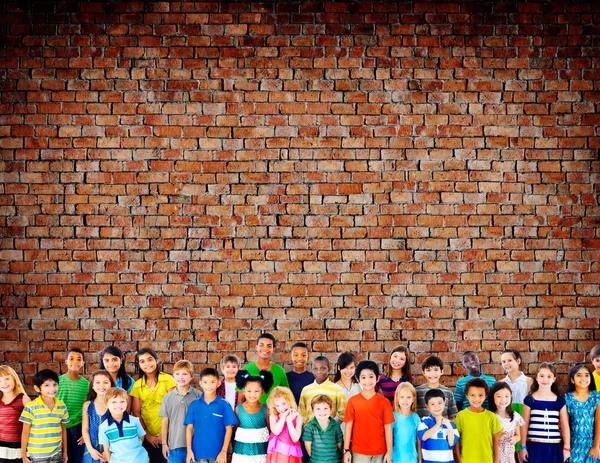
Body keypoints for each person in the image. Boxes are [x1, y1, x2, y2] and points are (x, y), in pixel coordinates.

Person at [343, 360, 395, 463]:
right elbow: (348, 427)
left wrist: (389, 452)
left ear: (377, 378)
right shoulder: (353, 401)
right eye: (363, 377)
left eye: (371, 376)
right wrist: (346, 450)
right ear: (358, 379)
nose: (367, 381)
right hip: (358, 453)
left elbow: (388, 429)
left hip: (380, 453)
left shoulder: (384, 402)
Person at [130, 348, 176, 463]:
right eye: (142, 361)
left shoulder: (168, 380)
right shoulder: (137, 385)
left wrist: (165, 433)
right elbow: (136, 413)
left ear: (156, 361)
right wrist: (147, 435)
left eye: (149, 360)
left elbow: (174, 408)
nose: (147, 364)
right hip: (149, 436)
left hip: (169, 435)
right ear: (139, 365)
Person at [184, 367, 237, 463]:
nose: (208, 385)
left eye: (212, 382)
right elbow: (189, 428)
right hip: (197, 454)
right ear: (200, 383)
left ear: (218, 383)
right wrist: (189, 450)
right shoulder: (194, 404)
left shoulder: (224, 405)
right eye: (205, 382)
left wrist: (224, 451)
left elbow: (229, 429)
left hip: (217, 455)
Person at [520, 363, 570, 463]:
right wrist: (523, 447)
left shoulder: (559, 401)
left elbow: (565, 426)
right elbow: (524, 425)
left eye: (549, 376)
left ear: (554, 378)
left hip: (554, 447)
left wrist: (566, 448)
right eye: (541, 376)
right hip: (534, 447)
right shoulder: (530, 400)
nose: (545, 379)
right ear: (537, 378)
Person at [20, 369, 70, 463]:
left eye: (55, 385)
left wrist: (65, 452)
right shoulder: (31, 407)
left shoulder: (62, 406)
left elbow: (63, 429)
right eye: (47, 385)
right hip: (37, 455)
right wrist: (23, 455)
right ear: (37, 388)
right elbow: (25, 432)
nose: (52, 389)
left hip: (57, 453)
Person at [159, 360, 202, 463]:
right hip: (174, 445)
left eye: (184, 374)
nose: (180, 377)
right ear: (173, 376)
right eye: (177, 374)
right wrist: (164, 444)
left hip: (194, 446)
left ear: (191, 375)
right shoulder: (168, 397)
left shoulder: (198, 396)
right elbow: (165, 422)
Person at [454, 378, 502, 463]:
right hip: (466, 460)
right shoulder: (460, 416)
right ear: (467, 395)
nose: (476, 399)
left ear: (486, 396)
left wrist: (496, 460)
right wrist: (458, 459)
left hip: (487, 460)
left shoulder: (491, 417)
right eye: (472, 395)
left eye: (480, 395)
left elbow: (496, 440)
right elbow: (457, 441)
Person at [232, 370, 274, 463]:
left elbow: (270, 429)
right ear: (243, 391)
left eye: (256, 391)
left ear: (262, 391)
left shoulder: (266, 409)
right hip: (242, 451)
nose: (252, 394)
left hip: (261, 450)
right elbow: (235, 429)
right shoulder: (238, 409)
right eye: (249, 391)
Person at [99, 387, 148, 463]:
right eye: (114, 402)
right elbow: (107, 449)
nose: (118, 405)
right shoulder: (103, 427)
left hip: (140, 459)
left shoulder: (135, 421)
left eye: (122, 401)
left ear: (126, 403)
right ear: (106, 404)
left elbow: (141, 438)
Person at [57, 348, 89, 463]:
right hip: (60, 426)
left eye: (79, 359)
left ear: (83, 363)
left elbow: (89, 409)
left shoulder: (87, 385)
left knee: (77, 458)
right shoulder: (58, 381)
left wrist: (86, 430)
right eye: (71, 359)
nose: (75, 362)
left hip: (78, 428)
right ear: (66, 361)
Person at [565, 364, 600, 463]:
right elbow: (565, 425)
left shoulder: (596, 397)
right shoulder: (568, 399)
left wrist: (596, 446)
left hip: (593, 445)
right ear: (572, 380)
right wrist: (566, 447)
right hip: (575, 445)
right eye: (579, 375)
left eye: (587, 375)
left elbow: (599, 421)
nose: (583, 378)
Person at [241, 333, 289, 404]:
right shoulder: (246, 370)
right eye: (261, 345)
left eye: (269, 346)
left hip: (274, 413)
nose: (265, 349)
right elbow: (240, 399)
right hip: (252, 414)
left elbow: (286, 396)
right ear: (256, 347)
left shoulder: (280, 371)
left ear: (273, 349)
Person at [298, 356, 346, 424]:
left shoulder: (338, 390)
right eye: (315, 369)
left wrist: (329, 426)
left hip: (330, 433)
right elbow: (301, 414)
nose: (319, 372)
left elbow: (343, 414)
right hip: (310, 433)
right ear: (312, 370)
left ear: (329, 369)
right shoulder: (306, 390)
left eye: (322, 368)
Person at [417, 389, 460, 463]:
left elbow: (451, 444)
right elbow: (423, 437)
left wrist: (449, 426)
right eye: (432, 404)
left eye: (440, 403)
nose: (437, 407)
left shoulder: (451, 424)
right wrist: (437, 425)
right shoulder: (425, 421)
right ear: (427, 406)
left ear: (444, 403)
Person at [82, 370, 115, 463]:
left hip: (110, 450)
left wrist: (108, 450)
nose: (101, 385)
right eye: (97, 382)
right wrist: (90, 450)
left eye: (105, 382)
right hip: (91, 450)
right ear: (92, 385)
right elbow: (85, 429)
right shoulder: (87, 405)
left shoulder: (114, 404)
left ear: (111, 385)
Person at [0, 365, 30, 463]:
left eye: (7, 378)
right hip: (1, 448)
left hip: (19, 447)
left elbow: (32, 424)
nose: (3, 383)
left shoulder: (24, 399)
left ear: (14, 378)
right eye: (0, 381)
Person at [488, 382, 524, 463]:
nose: (503, 399)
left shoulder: (515, 416)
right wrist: (498, 436)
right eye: (499, 396)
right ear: (492, 397)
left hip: (509, 457)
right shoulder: (490, 416)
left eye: (507, 396)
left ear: (511, 396)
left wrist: (515, 439)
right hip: (494, 456)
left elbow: (518, 435)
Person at [266, 386, 303, 463]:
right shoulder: (273, 416)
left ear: (290, 401)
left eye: (283, 403)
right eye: (277, 405)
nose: (281, 408)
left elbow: (295, 438)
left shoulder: (298, 417)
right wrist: (283, 417)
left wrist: (289, 420)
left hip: (291, 454)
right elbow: (276, 431)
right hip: (277, 453)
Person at [302, 395, 344, 463]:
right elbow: (308, 446)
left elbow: (339, 445)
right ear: (313, 411)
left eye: (325, 408)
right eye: (318, 409)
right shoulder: (309, 426)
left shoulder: (335, 425)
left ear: (330, 410)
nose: (322, 411)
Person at [391, 383, 420, 463]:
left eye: (408, 397)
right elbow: (389, 439)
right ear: (397, 398)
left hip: (412, 459)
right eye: (402, 397)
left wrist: (420, 459)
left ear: (413, 399)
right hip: (397, 458)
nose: (405, 400)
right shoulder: (393, 416)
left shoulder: (415, 418)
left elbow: (419, 441)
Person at [500, 350, 533, 416]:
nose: (506, 364)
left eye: (509, 360)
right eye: (503, 361)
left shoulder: (529, 381)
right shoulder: (501, 383)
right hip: (506, 420)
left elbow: (532, 403)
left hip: (524, 419)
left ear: (518, 361)